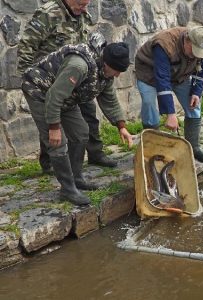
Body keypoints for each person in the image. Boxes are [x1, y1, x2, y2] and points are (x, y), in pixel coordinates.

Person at [21, 33, 133, 205]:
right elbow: (54, 96)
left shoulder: (105, 71)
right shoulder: (79, 66)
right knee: (57, 142)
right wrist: (54, 127)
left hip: (66, 97)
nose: (118, 75)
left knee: (81, 133)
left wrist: (121, 126)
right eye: (117, 71)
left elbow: (109, 98)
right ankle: (67, 189)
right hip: (41, 93)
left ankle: (76, 178)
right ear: (107, 63)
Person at [18, 0, 118, 175]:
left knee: (89, 114)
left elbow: (84, 42)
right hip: (51, 77)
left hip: (80, 76)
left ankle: (95, 153)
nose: (84, 8)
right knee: (51, 119)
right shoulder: (48, 13)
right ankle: (50, 163)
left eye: (86, 4)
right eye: (80, 4)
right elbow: (27, 45)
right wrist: (28, 74)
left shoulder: (82, 14)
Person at [135, 26, 203, 163]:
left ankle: (193, 148)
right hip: (149, 73)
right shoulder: (164, 44)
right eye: (194, 51)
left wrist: (196, 92)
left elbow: (202, 70)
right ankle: (153, 149)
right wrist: (171, 115)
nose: (197, 55)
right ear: (187, 41)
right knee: (149, 104)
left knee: (194, 105)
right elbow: (162, 78)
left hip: (179, 74)